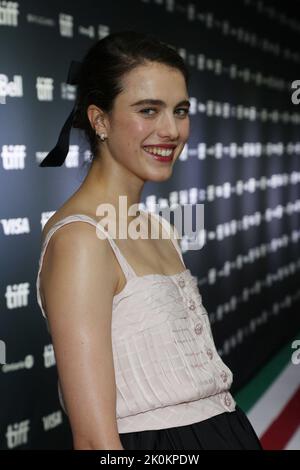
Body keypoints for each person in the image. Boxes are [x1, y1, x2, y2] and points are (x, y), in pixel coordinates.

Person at [36, 30, 263, 450]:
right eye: (148, 110)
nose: (171, 130)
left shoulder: (159, 228)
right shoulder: (82, 241)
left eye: (180, 111)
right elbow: (93, 442)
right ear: (99, 120)